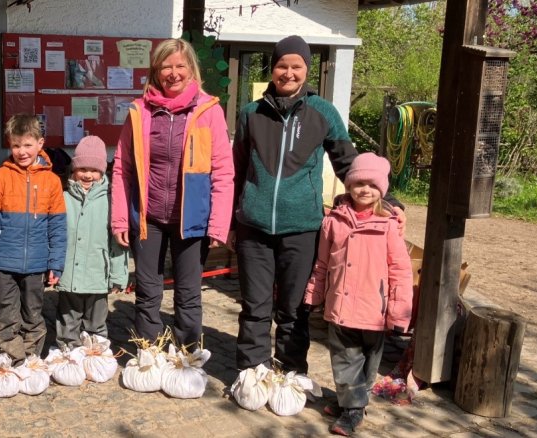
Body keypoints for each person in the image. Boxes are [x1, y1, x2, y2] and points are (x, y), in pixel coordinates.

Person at [231, 35, 406, 376]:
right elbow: (238, 169)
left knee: (294, 308)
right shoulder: (250, 113)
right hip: (253, 227)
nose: (289, 73)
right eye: (282, 65)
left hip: (303, 227)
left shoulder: (322, 112)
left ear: (306, 70)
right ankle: (252, 371)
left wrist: (384, 199)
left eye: (297, 66)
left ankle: (291, 372)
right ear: (273, 68)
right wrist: (230, 222)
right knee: (254, 306)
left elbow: (348, 162)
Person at [111, 38, 234, 346]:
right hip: (147, 216)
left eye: (180, 65)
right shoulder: (139, 111)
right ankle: (148, 350)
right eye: (166, 66)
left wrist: (218, 224)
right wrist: (120, 219)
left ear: (191, 68)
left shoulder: (209, 111)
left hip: (190, 219)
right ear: (156, 71)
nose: (174, 72)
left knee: (189, 291)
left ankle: (188, 351)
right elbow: (122, 168)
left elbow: (222, 171)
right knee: (148, 290)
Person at [303, 153, 413, 436]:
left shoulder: (388, 225)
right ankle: (352, 411)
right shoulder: (334, 222)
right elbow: (322, 263)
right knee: (344, 358)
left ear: (382, 189)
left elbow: (400, 270)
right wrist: (314, 295)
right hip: (341, 305)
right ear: (349, 184)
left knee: (368, 360)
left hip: (374, 310)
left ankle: (353, 402)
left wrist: (399, 312)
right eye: (359, 182)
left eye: (372, 185)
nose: (365, 189)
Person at [0, 114, 67, 363]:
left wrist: (55, 262)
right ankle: (11, 359)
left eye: (28, 145)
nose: (21, 151)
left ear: (40, 144)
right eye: (16, 145)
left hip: (37, 264)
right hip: (5, 263)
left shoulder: (51, 181)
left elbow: (58, 227)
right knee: (5, 314)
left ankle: (30, 359)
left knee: (33, 315)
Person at [55, 135, 128, 348]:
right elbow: (56, 236)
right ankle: (68, 350)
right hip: (70, 274)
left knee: (96, 321)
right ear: (73, 170)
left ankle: (95, 351)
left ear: (102, 171)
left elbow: (117, 244)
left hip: (98, 274)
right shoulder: (63, 198)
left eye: (94, 170)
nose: (88, 175)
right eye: (82, 169)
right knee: (68, 320)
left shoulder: (110, 200)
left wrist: (118, 275)